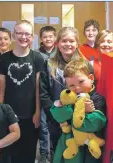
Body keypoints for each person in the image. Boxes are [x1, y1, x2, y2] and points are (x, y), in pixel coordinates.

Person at [40, 26, 95, 160]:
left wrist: (86, 110)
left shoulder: (86, 65)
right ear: (57, 43)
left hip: (81, 120)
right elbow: (43, 93)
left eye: (71, 41)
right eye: (64, 41)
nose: (68, 44)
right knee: (59, 155)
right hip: (57, 121)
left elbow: (92, 90)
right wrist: (57, 116)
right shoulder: (49, 65)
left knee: (79, 155)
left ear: (77, 43)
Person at [0, 20, 45, 163]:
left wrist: (37, 112)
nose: (23, 37)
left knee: (28, 152)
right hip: (9, 113)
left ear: (32, 37)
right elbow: (2, 88)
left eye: (27, 34)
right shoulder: (5, 59)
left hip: (30, 114)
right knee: (10, 153)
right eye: (20, 33)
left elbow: (38, 87)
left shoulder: (37, 57)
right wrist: (1, 112)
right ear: (13, 35)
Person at [50, 59, 107, 163]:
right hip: (70, 145)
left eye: (81, 82)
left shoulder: (97, 98)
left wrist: (72, 116)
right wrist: (79, 110)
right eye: (71, 85)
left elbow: (96, 123)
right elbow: (57, 115)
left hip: (90, 148)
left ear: (91, 78)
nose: (77, 88)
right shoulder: (69, 97)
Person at [36, 25, 58, 163]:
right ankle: (43, 153)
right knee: (43, 126)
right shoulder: (37, 54)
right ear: (41, 39)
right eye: (45, 37)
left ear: (55, 37)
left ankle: (54, 152)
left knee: (55, 125)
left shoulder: (59, 52)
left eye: (50, 36)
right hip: (41, 95)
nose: (48, 39)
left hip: (56, 94)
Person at [93, 30, 113, 94]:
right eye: (102, 41)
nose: (106, 44)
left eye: (109, 42)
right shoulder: (90, 65)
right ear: (97, 45)